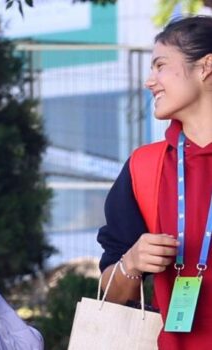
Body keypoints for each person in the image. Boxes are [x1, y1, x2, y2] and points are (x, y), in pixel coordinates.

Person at [97, 15, 212, 350]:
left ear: (206, 67)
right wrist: (131, 263)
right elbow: (109, 291)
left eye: (160, 65)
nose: (150, 81)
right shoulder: (143, 167)